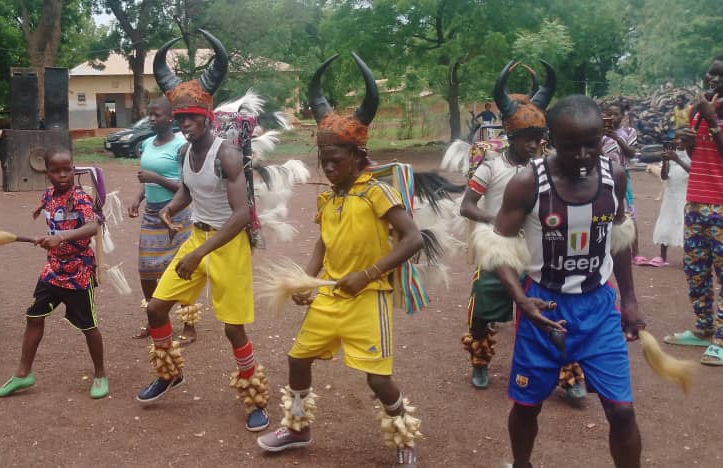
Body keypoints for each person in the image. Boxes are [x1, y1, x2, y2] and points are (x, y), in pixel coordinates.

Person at [255, 53, 424, 466]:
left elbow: (413, 238)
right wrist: (304, 280)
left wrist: (367, 275)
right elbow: (324, 244)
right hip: (330, 294)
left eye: (337, 161)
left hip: (370, 297)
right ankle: (297, 427)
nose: (328, 168)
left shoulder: (377, 192)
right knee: (297, 358)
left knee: (377, 377)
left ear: (360, 155)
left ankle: (404, 436)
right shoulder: (328, 195)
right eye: (323, 160)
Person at [477, 95, 644, 468]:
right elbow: (497, 247)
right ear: (552, 139)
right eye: (572, 146)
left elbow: (619, 240)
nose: (584, 155)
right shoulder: (527, 182)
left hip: (599, 307)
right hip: (543, 308)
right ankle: (522, 464)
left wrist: (629, 300)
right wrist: (521, 299)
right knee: (527, 405)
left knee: (622, 411)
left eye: (592, 143)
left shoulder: (613, 176)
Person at [136, 29, 271, 432]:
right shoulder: (183, 151)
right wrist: (171, 209)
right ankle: (169, 372)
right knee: (158, 308)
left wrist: (199, 253)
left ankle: (254, 397)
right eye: (180, 118)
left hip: (226, 244)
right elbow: (189, 193)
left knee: (233, 329)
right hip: (197, 237)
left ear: (208, 115)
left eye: (192, 117)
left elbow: (241, 214)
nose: (186, 124)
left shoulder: (226, 154)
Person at [459, 60, 561, 391]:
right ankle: (480, 359)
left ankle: (566, 371)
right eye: (526, 139)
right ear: (511, 136)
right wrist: (498, 222)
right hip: (498, 249)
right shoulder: (490, 168)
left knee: (555, 306)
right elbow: (467, 207)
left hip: (538, 248)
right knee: (480, 310)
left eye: (538, 139)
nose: (533, 146)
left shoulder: (547, 168)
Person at [0, 147, 109, 399]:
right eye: (56, 171)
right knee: (34, 318)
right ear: (47, 174)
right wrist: (42, 223)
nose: (62, 175)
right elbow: (49, 210)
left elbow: (93, 225)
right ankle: (23, 374)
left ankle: (100, 374)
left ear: (73, 169)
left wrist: (62, 237)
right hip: (53, 270)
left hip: (78, 272)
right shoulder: (48, 194)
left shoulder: (79, 197)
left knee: (89, 326)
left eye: (67, 169)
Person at [663, 52, 723, 366]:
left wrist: (714, 123)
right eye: (711, 74)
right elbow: (698, 154)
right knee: (696, 271)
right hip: (696, 202)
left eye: (722, 75)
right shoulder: (698, 109)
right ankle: (704, 329)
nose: (714, 80)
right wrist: (686, 140)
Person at [127, 97, 194, 342]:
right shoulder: (146, 144)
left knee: (182, 270)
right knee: (146, 271)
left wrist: (155, 177)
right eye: (150, 114)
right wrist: (137, 197)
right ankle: (155, 318)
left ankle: (189, 324)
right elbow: (146, 183)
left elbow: (186, 188)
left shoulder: (182, 146)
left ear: (170, 117)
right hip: (152, 215)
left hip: (177, 215)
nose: (152, 119)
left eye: (157, 114)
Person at [601, 102, 642, 263]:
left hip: (621, 176)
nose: (612, 117)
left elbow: (631, 153)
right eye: (608, 114)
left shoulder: (629, 132)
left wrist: (616, 138)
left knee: (628, 212)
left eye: (616, 114)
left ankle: (635, 252)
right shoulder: (597, 133)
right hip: (602, 175)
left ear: (623, 116)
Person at [646, 146, 690, 267]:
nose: (679, 142)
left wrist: (677, 160)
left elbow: (693, 172)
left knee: (685, 224)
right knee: (666, 220)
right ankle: (662, 256)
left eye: (682, 139)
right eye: (677, 139)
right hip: (670, 194)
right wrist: (665, 161)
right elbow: (664, 176)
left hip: (686, 194)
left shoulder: (692, 152)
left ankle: (688, 257)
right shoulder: (671, 154)